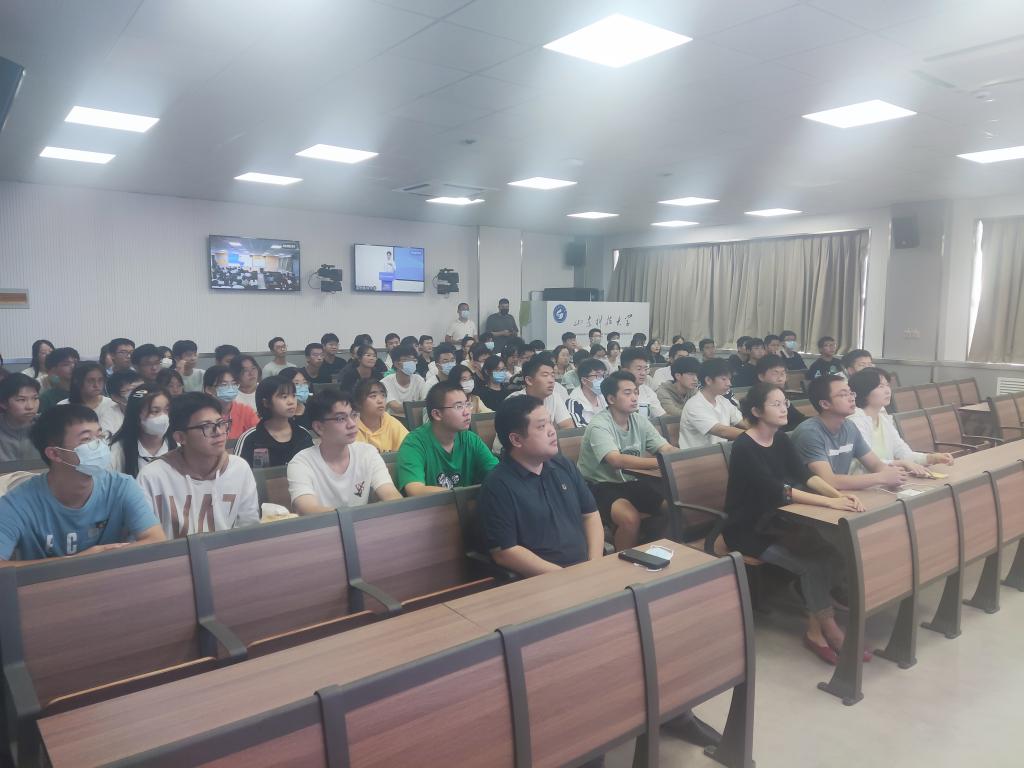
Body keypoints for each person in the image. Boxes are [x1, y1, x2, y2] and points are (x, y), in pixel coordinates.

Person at [725, 382, 864, 664]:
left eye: (785, 402)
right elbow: (778, 490)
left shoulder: (780, 439)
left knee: (832, 554)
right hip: (749, 530)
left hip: (781, 522)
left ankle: (816, 628)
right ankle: (828, 630)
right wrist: (829, 503)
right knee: (811, 565)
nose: (784, 408)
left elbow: (805, 476)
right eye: (775, 404)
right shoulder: (744, 446)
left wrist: (838, 496)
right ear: (756, 411)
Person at [0, 405, 164, 562]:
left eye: (100, 436)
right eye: (86, 439)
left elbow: (156, 541)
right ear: (55, 454)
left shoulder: (122, 486)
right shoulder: (17, 502)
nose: (99, 445)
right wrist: (80, 561)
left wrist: (96, 559)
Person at [480, 395, 604, 575]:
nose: (552, 431)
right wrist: (567, 577)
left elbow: (590, 515)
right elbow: (505, 552)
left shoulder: (564, 465)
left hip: (586, 571)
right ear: (516, 440)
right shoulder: (498, 485)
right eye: (541, 426)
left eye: (550, 423)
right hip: (543, 581)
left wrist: (595, 564)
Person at [137, 392, 260, 537]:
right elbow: (144, 538)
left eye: (221, 423)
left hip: (229, 551)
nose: (218, 432)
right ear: (180, 437)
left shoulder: (238, 468)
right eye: (206, 426)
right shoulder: (152, 477)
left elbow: (249, 529)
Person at [577, 371, 674, 551]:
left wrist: (681, 457)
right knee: (629, 518)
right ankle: (623, 560)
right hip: (599, 486)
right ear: (611, 399)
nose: (634, 397)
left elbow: (665, 448)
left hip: (631, 482)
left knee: (673, 507)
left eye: (636, 392)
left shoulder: (639, 420)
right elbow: (615, 460)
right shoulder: (599, 425)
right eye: (627, 393)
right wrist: (662, 462)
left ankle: (655, 551)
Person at [288, 389, 402, 513]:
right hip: (326, 525)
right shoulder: (301, 463)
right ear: (319, 427)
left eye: (353, 415)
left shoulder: (367, 453)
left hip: (361, 523)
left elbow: (391, 494)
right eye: (341, 418)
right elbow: (308, 508)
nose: (352, 424)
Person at [791, 376, 907, 492]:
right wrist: (881, 478)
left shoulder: (849, 426)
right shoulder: (810, 433)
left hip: (843, 494)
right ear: (825, 404)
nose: (851, 398)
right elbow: (829, 481)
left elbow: (875, 464)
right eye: (843, 395)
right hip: (813, 498)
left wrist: (894, 474)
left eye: (851, 393)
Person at [396, 381, 498, 495]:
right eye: (459, 406)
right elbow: (414, 489)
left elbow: (497, 473)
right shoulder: (414, 443)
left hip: (466, 504)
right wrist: (460, 496)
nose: (467, 412)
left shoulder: (470, 439)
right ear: (437, 414)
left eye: (467, 405)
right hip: (434, 506)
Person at [847, 368, 954, 476]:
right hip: (862, 481)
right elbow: (868, 463)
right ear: (864, 391)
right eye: (880, 386)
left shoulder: (883, 419)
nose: (887, 390)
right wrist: (902, 463)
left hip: (884, 479)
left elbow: (904, 453)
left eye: (887, 385)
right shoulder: (855, 421)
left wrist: (932, 458)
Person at [234, 376, 314, 468]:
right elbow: (238, 472)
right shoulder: (250, 438)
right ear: (266, 403)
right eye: (284, 397)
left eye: (293, 395)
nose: (291, 402)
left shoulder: (303, 434)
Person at [678, 358, 745, 449]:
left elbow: (742, 422)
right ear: (708, 380)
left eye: (729, 379)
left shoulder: (723, 401)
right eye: (724, 379)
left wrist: (759, 429)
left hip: (720, 452)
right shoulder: (694, 405)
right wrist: (755, 435)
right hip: (698, 455)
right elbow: (722, 431)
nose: (729, 383)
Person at [109, 386, 175, 476]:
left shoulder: (178, 446)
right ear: (136, 415)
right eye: (155, 411)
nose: (164, 417)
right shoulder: (118, 451)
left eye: (167, 410)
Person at [501, 356, 574, 436]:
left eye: (552, 376)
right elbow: (517, 436)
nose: (551, 380)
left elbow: (568, 427)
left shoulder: (554, 397)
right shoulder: (513, 402)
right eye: (545, 375)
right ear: (529, 380)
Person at [63, 361, 123, 435]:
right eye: (91, 380)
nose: (96, 385)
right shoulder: (63, 407)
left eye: (100, 380)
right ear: (77, 381)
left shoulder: (113, 405)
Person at [202, 365, 259, 440]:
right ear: (209, 389)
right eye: (224, 385)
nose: (230, 388)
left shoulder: (245, 411)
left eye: (234, 384)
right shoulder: (201, 415)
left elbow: (259, 435)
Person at [354, 378, 409, 453]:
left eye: (383, 395)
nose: (380, 401)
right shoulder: (352, 426)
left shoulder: (390, 421)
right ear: (358, 403)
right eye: (373, 396)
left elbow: (410, 447)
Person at [755, 355, 807, 432]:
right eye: (775, 374)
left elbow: (799, 419)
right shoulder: (757, 398)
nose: (780, 378)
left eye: (783, 373)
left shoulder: (782, 395)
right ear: (761, 377)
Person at [0, 373, 41, 462]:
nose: (30, 406)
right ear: (3, 403)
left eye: (35, 398)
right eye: (21, 400)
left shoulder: (47, 426)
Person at [382, 345, 429, 416]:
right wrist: (417, 406)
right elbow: (396, 408)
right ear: (396, 364)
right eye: (407, 360)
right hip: (394, 419)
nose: (411, 363)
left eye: (413, 360)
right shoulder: (385, 382)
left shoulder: (419, 380)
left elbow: (426, 403)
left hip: (416, 419)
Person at [618, 348, 666, 419]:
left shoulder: (647, 391)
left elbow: (661, 416)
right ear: (624, 371)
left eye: (645, 369)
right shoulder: (614, 392)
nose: (643, 373)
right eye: (639, 369)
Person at [566, 358, 607, 427]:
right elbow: (579, 428)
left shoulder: (605, 396)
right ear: (584, 380)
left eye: (603, 376)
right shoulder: (573, 402)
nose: (602, 380)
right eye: (597, 376)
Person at [39, 347, 79, 413]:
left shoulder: (85, 391)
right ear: (53, 369)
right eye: (66, 364)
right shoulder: (47, 398)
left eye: (75, 363)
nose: (73, 366)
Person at [279, 367, 312, 431]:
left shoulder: (313, 409)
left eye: (305, 382)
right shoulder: (279, 414)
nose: (302, 387)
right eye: (296, 384)